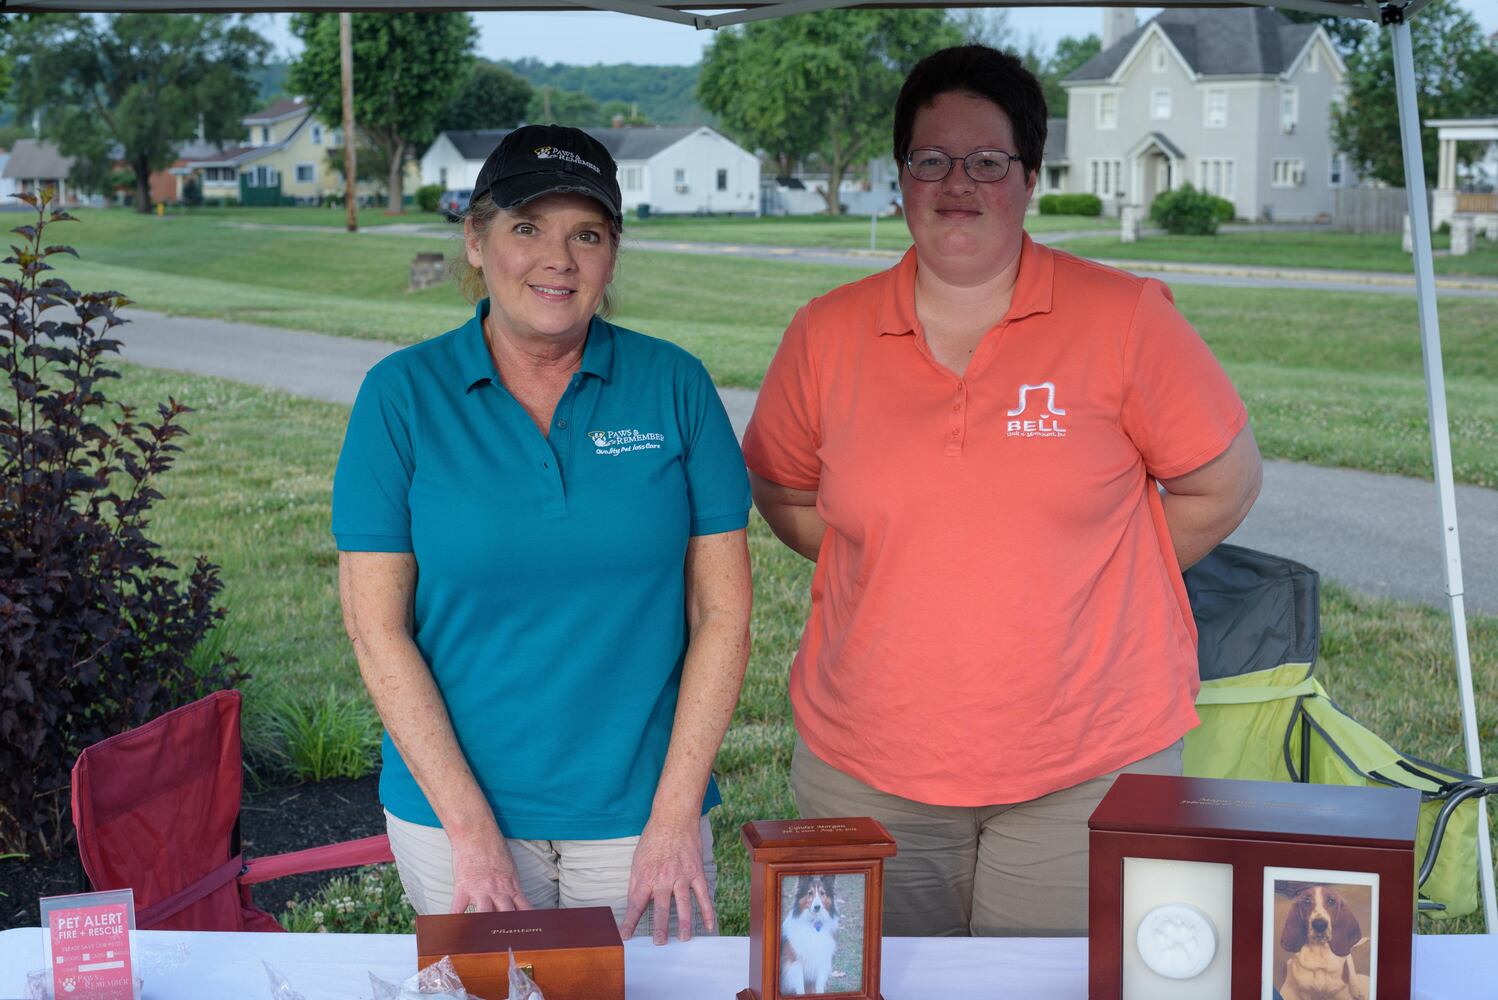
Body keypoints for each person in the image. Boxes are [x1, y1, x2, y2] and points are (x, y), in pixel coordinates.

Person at [741, 45, 1263, 938]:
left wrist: (1087, 574)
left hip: (1088, 760)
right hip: (866, 758)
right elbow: (783, 489)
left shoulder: (1126, 318)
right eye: (930, 160)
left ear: (1029, 174)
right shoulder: (826, 332)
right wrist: (915, 563)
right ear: (899, 176)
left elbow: (1223, 484)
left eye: (987, 161)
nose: (957, 184)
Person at [332, 125, 752, 944]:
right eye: (527, 227)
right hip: (457, 818)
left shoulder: (675, 386)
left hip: (641, 817)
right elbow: (375, 628)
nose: (558, 258)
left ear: (612, 254)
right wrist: (472, 834)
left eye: (585, 234)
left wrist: (672, 819)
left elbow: (723, 616)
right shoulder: (401, 397)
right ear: (477, 240)